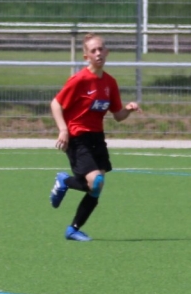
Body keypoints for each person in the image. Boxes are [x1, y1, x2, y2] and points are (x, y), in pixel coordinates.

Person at [47, 34, 139, 241]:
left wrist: (128, 109)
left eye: (101, 49)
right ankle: (64, 181)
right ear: (86, 56)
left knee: (96, 187)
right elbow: (56, 104)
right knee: (96, 181)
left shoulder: (110, 83)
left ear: (107, 52)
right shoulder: (79, 80)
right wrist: (63, 130)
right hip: (77, 137)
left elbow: (118, 115)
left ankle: (73, 229)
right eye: (93, 51)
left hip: (97, 138)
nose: (98, 53)